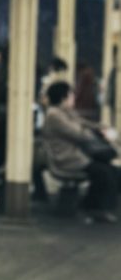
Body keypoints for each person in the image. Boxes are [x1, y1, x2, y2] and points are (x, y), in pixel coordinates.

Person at [42, 81, 118, 223]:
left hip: (77, 156)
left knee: (111, 170)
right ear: (63, 98)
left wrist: (102, 127)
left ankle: (97, 207)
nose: (73, 98)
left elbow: (83, 123)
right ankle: (92, 208)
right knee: (103, 173)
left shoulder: (64, 112)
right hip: (67, 159)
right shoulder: (54, 115)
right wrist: (100, 134)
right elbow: (78, 133)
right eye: (71, 95)